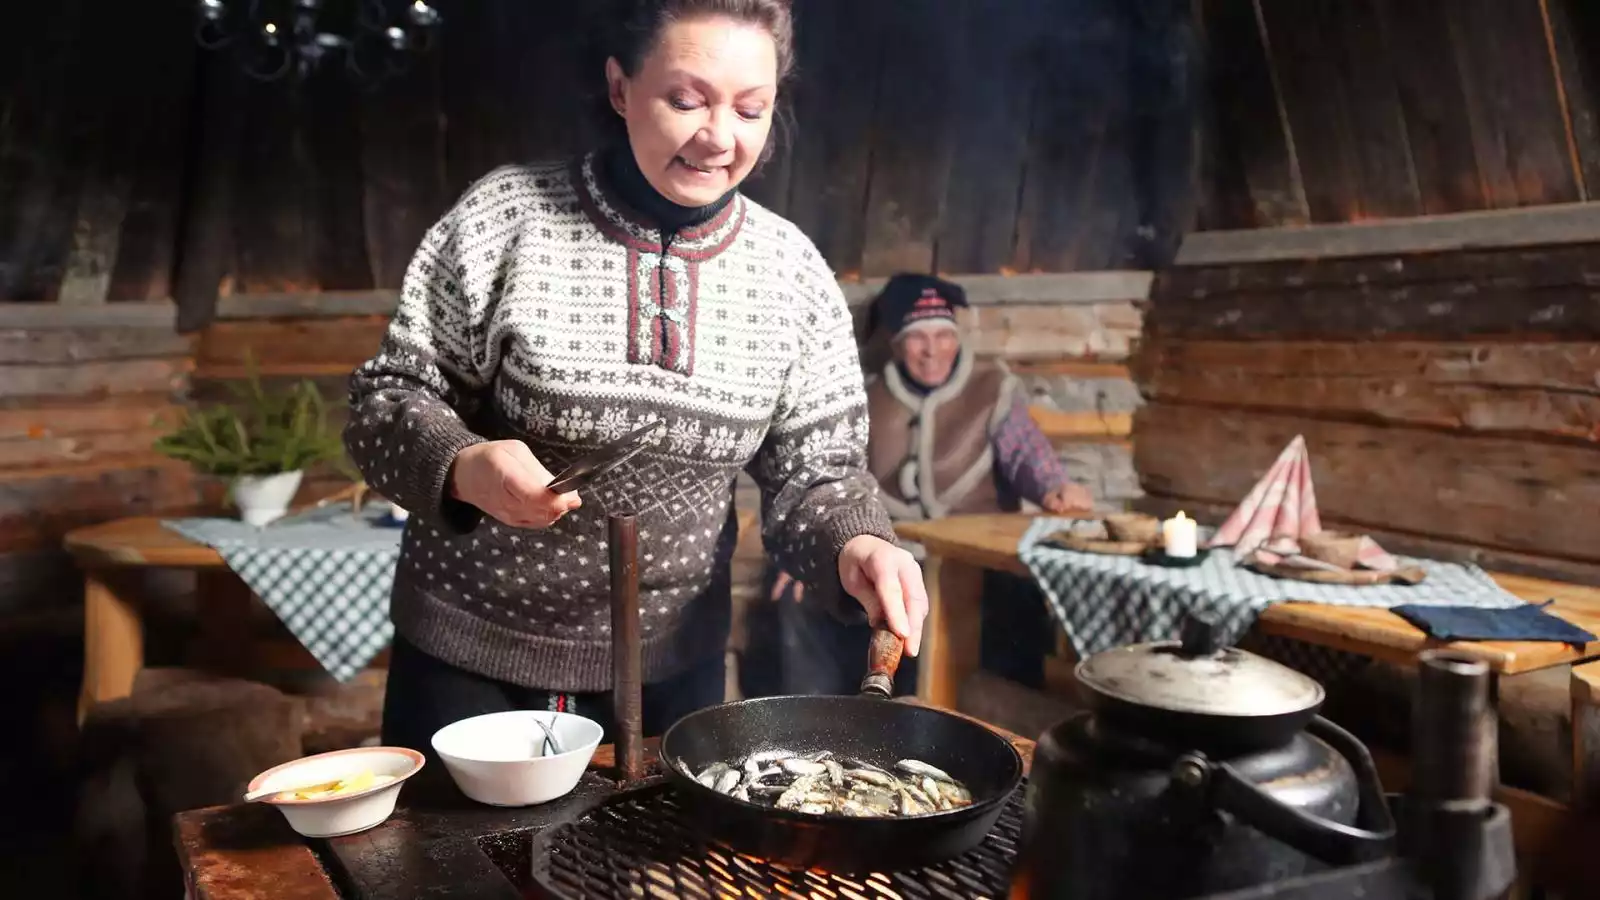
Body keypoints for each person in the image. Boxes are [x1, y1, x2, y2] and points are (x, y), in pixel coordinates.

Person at [344, 0, 928, 754]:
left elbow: (818, 478)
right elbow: (385, 402)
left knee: (645, 876)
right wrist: (463, 466)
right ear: (620, 88)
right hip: (471, 660)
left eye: (752, 109)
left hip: (671, 678)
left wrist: (860, 546)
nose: (720, 136)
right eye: (686, 100)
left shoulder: (794, 276)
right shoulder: (505, 220)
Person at [740, 273, 1093, 698]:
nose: (932, 350)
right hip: (893, 552)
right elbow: (827, 480)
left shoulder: (991, 392)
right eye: (917, 337)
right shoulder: (866, 400)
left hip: (973, 561)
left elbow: (1029, 458)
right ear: (895, 343)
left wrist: (1056, 488)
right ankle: (817, 730)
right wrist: (809, 556)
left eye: (943, 335)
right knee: (802, 602)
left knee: (1008, 612)